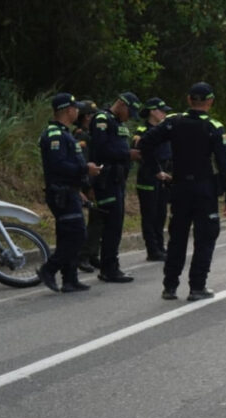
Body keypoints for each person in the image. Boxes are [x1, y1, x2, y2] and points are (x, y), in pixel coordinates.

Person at [137, 82, 226, 301]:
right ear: (210, 102)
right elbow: (224, 164)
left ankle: (169, 286)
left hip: (179, 189)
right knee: (205, 238)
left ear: (189, 100)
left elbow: (144, 144)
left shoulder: (173, 122)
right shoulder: (213, 127)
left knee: (177, 238)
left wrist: (156, 170)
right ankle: (197, 287)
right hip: (204, 190)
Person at [36, 93, 102, 293]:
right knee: (77, 236)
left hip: (69, 191)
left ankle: (70, 279)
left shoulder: (65, 133)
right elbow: (58, 165)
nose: (78, 111)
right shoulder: (55, 134)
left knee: (67, 236)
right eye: (75, 108)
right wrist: (85, 169)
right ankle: (49, 269)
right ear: (67, 110)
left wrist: (78, 189)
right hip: (61, 193)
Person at [89, 91, 141, 283]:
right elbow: (100, 150)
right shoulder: (102, 119)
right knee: (112, 225)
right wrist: (127, 154)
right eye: (129, 112)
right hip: (106, 180)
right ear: (121, 104)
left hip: (117, 180)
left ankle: (110, 266)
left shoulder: (117, 123)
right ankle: (109, 268)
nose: (129, 117)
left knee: (116, 225)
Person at [132, 97, 173, 261]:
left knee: (161, 213)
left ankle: (160, 246)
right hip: (149, 175)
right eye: (161, 110)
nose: (164, 114)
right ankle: (152, 249)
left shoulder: (165, 129)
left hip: (164, 175)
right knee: (149, 214)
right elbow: (139, 153)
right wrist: (156, 170)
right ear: (152, 111)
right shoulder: (142, 131)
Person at [73, 100, 100, 273]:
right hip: (88, 183)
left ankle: (92, 254)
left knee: (98, 220)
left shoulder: (92, 133)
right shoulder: (81, 135)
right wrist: (88, 186)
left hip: (96, 180)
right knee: (93, 221)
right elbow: (83, 161)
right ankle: (83, 256)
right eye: (90, 115)